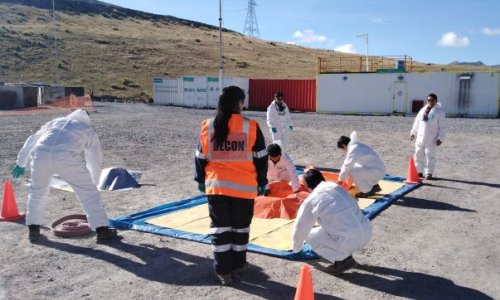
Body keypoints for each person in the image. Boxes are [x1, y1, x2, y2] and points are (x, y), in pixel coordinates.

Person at [194, 86, 268, 285]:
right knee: (240, 229)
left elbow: (200, 157)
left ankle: (223, 271)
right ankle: (238, 266)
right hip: (244, 188)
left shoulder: (208, 125)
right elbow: (261, 157)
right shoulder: (251, 126)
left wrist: (200, 179)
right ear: (240, 103)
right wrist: (262, 182)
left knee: (220, 230)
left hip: (216, 187)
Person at [11, 109, 118, 244]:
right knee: (89, 194)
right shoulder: (86, 129)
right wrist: (93, 180)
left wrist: (21, 163)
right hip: (67, 158)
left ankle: (33, 231)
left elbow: (32, 140)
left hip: (40, 156)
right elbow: (94, 157)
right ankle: (102, 231)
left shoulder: (55, 122)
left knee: (37, 192)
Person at [292, 169, 372, 275]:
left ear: (306, 185)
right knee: (333, 224)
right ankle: (344, 254)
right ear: (322, 178)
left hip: (350, 241)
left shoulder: (312, 200)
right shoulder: (336, 187)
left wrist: (297, 249)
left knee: (309, 235)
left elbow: (300, 228)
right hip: (367, 232)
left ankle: (343, 260)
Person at [337, 131, 386, 198]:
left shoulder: (353, 150)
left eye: (343, 149)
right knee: (354, 167)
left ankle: (367, 191)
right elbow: (349, 164)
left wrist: (340, 180)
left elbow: (347, 166)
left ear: (344, 146)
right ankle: (375, 186)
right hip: (377, 169)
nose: (344, 151)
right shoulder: (356, 146)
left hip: (376, 172)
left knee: (352, 171)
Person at [410, 93, 446, 180]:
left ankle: (428, 173)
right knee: (418, 154)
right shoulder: (423, 110)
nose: (430, 102)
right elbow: (417, 122)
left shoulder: (440, 112)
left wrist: (440, 138)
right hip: (420, 137)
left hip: (431, 138)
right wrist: (413, 133)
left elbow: (443, 126)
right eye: (429, 100)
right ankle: (418, 171)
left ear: (436, 101)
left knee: (430, 155)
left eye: (432, 100)